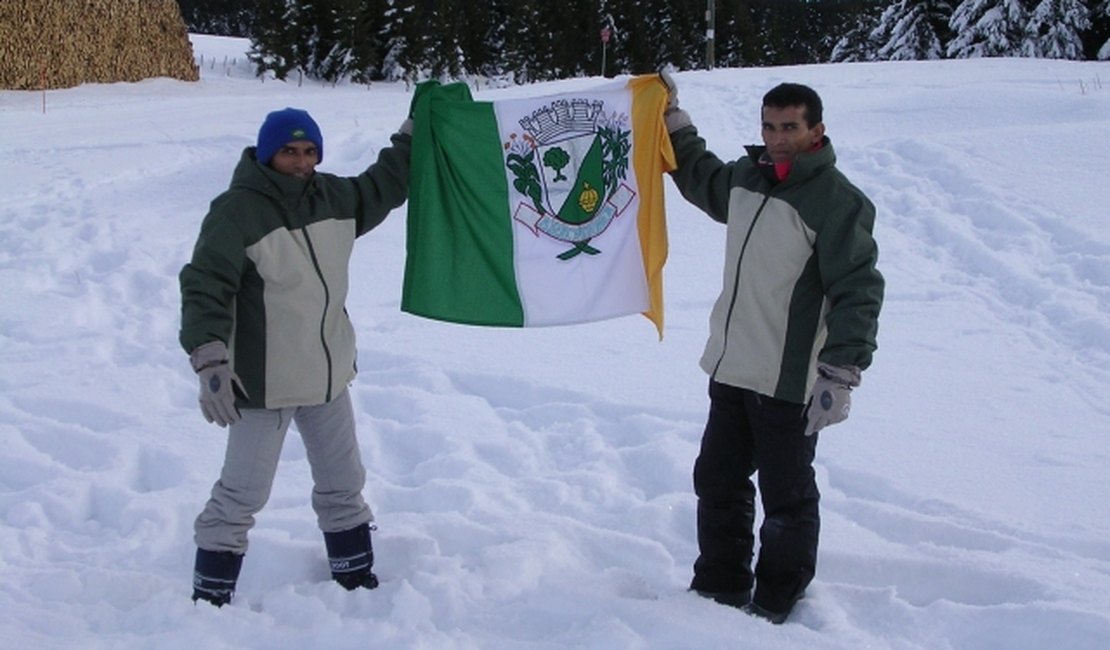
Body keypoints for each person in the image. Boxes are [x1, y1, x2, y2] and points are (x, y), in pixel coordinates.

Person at [660, 72, 884, 624]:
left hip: (790, 381)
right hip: (733, 367)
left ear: (817, 130)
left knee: (786, 499)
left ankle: (777, 599)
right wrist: (672, 120)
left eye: (790, 127)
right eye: (769, 126)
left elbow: (858, 286)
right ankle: (719, 587)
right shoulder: (747, 179)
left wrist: (841, 374)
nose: (778, 137)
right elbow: (699, 176)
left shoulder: (837, 202)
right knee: (718, 480)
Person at [179, 107, 412, 607]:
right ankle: (209, 601)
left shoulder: (333, 197)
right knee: (241, 496)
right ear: (268, 154)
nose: (301, 161)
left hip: (326, 381)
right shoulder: (236, 211)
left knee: (345, 486)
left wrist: (415, 133)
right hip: (263, 387)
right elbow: (205, 284)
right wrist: (210, 357)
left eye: (309, 151)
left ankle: (356, 582)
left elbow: (384, 185)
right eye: (289, 151)